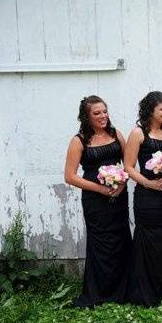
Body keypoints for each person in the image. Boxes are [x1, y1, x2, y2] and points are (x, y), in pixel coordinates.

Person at [64, 96, 131, 308]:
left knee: (120, 239)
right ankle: (100, 292)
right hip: (95, 200)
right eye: (97, 113)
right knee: (101, 243)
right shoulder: (79, 140)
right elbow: (70, 176)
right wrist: (101, 189)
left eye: (105, 111)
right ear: (86, 116)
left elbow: (128, 163)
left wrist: (121, 184)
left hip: (119, 195)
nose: (103, 116)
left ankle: (124, 290)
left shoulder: (116, 134)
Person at [124, 91, 162, 306]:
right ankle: (145, 291)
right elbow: (128, 167)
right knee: (148, 241)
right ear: (151, 111)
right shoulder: (138, 133)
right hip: (147, 196)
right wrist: (148, 183)